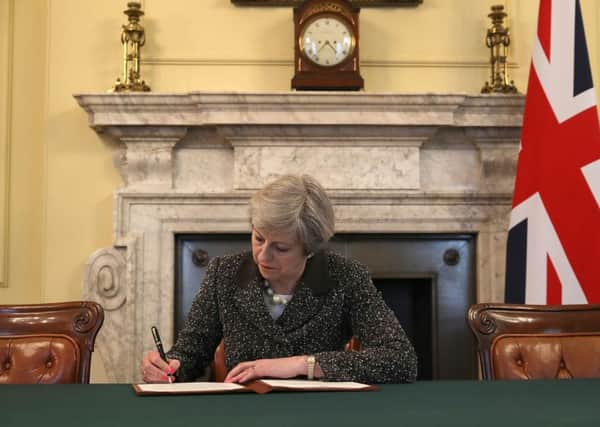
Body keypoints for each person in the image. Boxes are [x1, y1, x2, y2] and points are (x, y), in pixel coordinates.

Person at [141, 174, 417, 384]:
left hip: (322, 415)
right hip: (243, 415)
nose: (263, 255)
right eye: (258, 238)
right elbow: (190, 354)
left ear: (309, 248)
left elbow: (401, 360)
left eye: (281, 248)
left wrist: (302, 364)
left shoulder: (345, 276)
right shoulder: (223, 273)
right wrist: (168, 367)